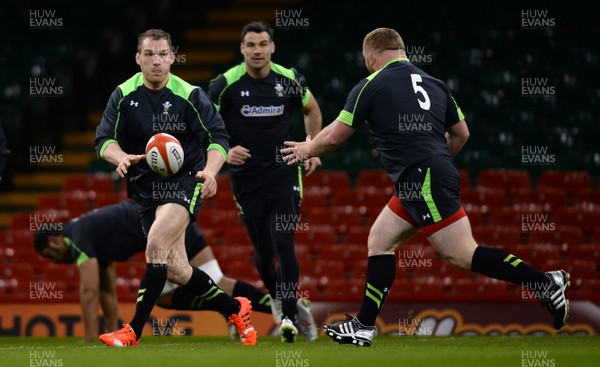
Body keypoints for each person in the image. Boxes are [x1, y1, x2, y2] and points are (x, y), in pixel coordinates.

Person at [282, 28, 570, 346]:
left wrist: (305, 149)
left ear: (369, 56)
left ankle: (544, 282)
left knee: (461, 254)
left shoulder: (371, 84)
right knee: (379, 240)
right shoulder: (435, 84)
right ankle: (364, 325)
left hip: (422, 177)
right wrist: (436, 159)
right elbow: (462, 134)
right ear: (402, 50)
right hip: (424, 174)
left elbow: (335, 136)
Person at [94, 29, 257, 346]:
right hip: (145, 189)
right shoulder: (124, 94)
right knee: (177, 270)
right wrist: (121, 156)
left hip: (186, 181)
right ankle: (236, 308)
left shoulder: (190, 95)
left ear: (172, 57)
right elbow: (103, 141)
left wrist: (210, 172)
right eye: (149, 54)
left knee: (155, 244)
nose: (156, 61)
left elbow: (218, 138)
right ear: (138, 58)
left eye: (162, 54)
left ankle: (132, 332)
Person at [208, 20, 321, 342]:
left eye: (262, 44)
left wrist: (311, 145)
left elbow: (311, 108)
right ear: (242, 49)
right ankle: (284, 299)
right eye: (251, 45)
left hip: (284, 170)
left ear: (272, 47)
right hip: (246, 179)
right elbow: (203, 124)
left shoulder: (289, 79)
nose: (257, 51)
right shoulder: (224, 84)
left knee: (284, 242)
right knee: (263, 253)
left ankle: (288, 316)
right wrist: (224, 150)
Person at [33, 200, 275, 342]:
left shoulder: (76, 237)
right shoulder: (89, 235)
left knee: (217, 281)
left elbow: (89, 289)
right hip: (165, 224)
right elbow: (106, 290)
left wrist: (88, 337)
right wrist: (106, 329)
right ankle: (232, 309)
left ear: (54, 241)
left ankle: (282, 305)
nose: (54, 261)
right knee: (166, 297)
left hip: (167, 227)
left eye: (49, 255)